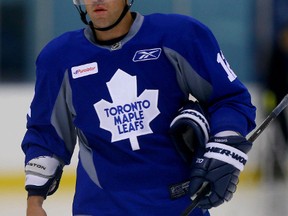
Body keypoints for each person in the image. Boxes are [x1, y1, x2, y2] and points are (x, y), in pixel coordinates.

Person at [22, 0, 256, 215]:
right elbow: (46, 134)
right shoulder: (59, 58)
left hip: (177, 204)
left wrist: (224, 146)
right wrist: (34, 202)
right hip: (99, 208)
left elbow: (230, 99)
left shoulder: (178, 36)